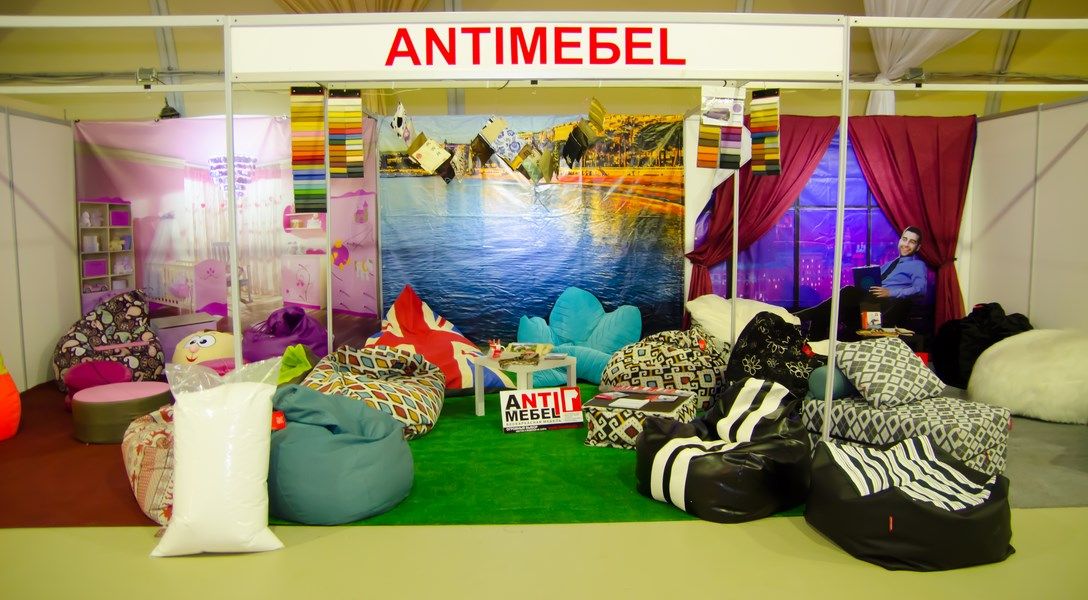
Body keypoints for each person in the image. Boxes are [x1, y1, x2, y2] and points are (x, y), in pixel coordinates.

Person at [795, 226, 927, 341]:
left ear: (918, 247)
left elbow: (920, 289)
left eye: (912, 242)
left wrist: (890, 292)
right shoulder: (888, 265)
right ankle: (815, 348)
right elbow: (872, 284)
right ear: (900, 240)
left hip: (883, 312)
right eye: (904, 239)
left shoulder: (917, 265)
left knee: (848, 291)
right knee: (826, 315)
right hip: (867, 306)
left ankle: (805, 316)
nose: (906, 244)